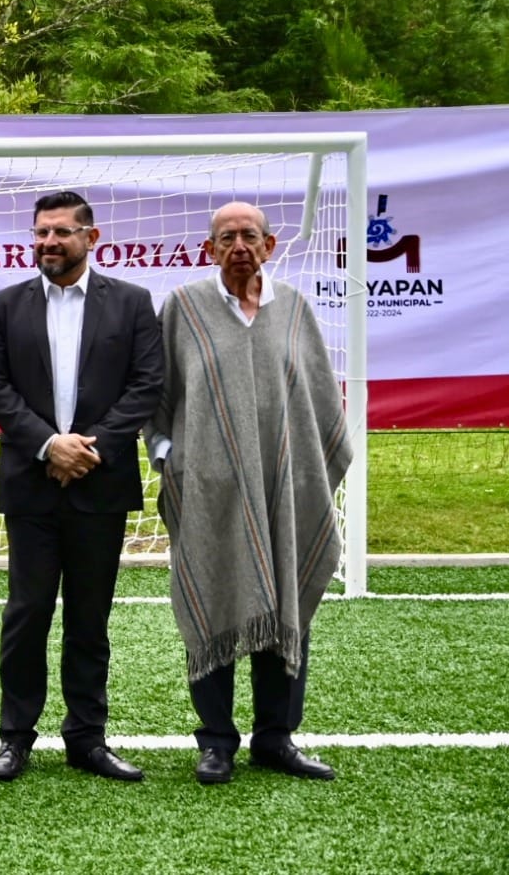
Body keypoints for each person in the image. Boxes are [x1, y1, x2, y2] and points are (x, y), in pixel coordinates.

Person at [149, 201, 351, 785]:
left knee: (285, 595)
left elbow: (319, 402)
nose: (239, 246)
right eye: (226, 237)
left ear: (270, 244)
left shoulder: (294, 310)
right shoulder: (183, 308)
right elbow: (158, 395)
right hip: (209, 490)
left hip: (284, 487)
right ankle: (216, 742)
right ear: (209, 248)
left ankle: (276, 738)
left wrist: (307, 472)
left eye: (249, 235)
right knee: (213, 593)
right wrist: (172, 458)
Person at [0, 191, 163, 783]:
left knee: (90, 618)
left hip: (99, 485)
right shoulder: (5, 305)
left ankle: (87, 738)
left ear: (91, 236)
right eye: (41, 233)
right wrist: (49, 445)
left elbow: (146, 384)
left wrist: (89, 449)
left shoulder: (131, 302)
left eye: (61, 232)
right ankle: (15, 738)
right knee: (27, 613)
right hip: (31, 486)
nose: (49, 242)